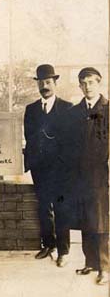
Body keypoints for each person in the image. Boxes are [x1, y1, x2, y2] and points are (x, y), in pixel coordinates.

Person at [23, 64, 73, 267]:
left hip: (60, 169)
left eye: (48, 82)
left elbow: (71, 140)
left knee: (61, 208)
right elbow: (29, 137)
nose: (44, 86)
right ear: (37, 84)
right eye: (41, 82)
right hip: (40, 168)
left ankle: (63, 251)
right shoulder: (31, 109)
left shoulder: (67, 108)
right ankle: (48, 245)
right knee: (44, 207)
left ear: (55, 83)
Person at [68, 67, 109, 285]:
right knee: (85, 219)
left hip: (101, 175)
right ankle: (90, 262)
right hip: (80, 176)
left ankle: (105, 268)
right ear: (79, 86)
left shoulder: (108, 108)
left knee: (101, 221)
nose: (87, 87)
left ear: (99, 83)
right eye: (83, 83)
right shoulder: (76, 112)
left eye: (91, 82)